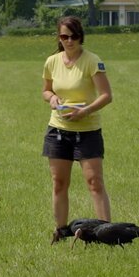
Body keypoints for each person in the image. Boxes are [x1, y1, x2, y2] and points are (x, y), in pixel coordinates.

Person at [41, 16, 113, 237]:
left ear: (81, 37)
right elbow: (46, 90)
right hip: (58, 130)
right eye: (64, 36)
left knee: (94, 182)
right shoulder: (52, 62)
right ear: (59, 38)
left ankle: (105, 232)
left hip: (87, 131)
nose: (69, 41)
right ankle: (61, 231)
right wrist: (52, 98)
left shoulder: (92, 61)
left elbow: (106, 95)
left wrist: (85, 111)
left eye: (74, 36)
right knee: (59, 183)